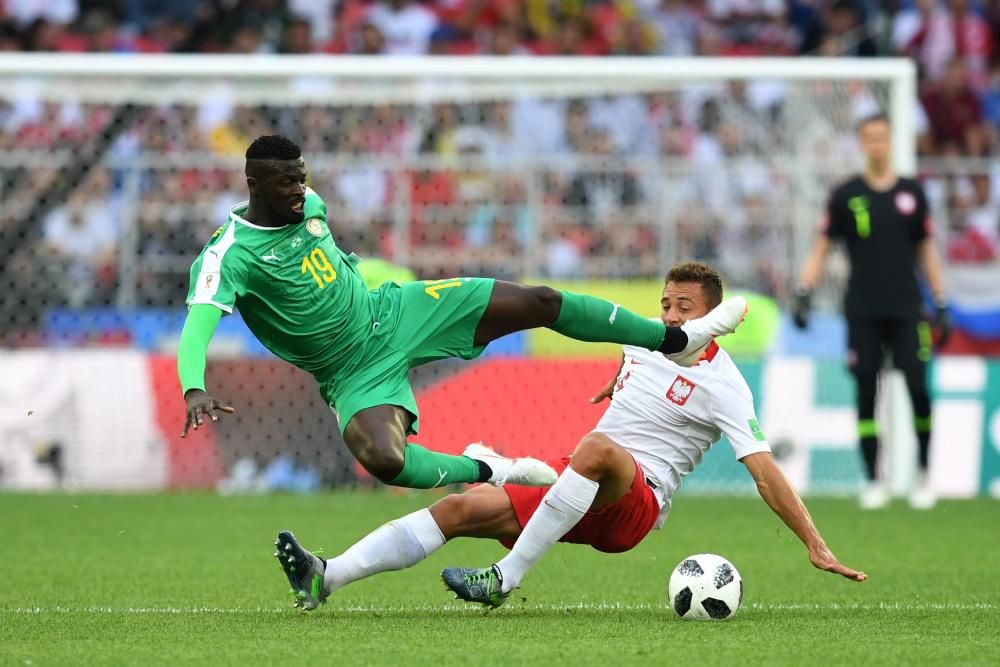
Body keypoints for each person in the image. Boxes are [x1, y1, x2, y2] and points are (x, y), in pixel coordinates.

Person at [274, 262, 865, 611]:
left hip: (638, 500)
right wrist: (617, 383)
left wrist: (814, 542)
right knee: (456, 508)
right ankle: (326, 575)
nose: (669, 315)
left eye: (684, 306)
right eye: (665, 304)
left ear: (710, 316)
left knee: (598, 448)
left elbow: (763, 470)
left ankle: (505, 578)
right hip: (578, 485)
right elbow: (644, 372)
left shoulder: (726, 386)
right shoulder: (643, 342)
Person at [178, 135, 747, 495]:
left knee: (539, 301)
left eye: (302, 177)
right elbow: (197, 325)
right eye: (287, 182)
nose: (301, 191)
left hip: (396, 312)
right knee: (385, 460)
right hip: (349, 372)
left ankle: (670, 339)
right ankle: (491, 470)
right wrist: (193, 388)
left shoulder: (311, 206)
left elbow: (325, 250)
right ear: (253, 185)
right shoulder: (228, 255)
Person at [793, 114, 950, 511]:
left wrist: (941, 299)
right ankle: (874, 480)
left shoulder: (913, 192)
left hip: (908, 310)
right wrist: (803, 291)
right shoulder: (846, 194)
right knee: (866, 392)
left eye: (883, 137)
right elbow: (822, 245)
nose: (877, 144)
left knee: (918, 389)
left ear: (892, 141)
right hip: (862, 311)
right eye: (870, 138)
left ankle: (925, 474)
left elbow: (927, 249)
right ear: (862, 144)